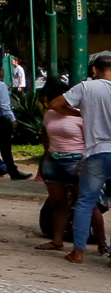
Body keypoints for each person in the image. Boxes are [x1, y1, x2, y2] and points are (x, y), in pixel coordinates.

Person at [47, 50, 111, 265]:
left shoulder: (87, 87)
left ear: (94, 70)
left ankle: (78, 252)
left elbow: (55, 104)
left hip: (96, 152)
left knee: (85, 202)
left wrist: (80, 113)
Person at [34, 76, 84, 251]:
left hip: (76, 161)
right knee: (58, 203)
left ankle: (98, 242)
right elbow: (46, 136)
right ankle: (57, 240)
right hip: (53, 161)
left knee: (84, 203)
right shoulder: (49, 115)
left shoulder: (80, 114)